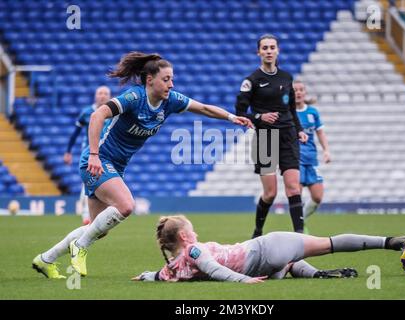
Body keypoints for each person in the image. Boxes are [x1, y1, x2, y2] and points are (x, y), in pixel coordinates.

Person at [32, 52, 254, 279]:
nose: (171, 84)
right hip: (98, 161)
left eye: (172, 79)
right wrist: (95, 156)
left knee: (97, 230)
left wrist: (231, 117)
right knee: (126, 205)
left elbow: (204, 108)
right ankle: (80, 246)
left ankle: (46, 259)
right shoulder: (134, 98)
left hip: (116, 166)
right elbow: (98, 115)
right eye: (166, 79)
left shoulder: (170, 101)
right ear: (150, 79)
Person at [132, 215, 405, 283]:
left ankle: (318, 274)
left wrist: (145, 277)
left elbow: (157, 275)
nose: (195, 233)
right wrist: (245, 281)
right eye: (191, 230)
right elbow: (214, 268)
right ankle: (388, 242)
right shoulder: (193, 251)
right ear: (184, 235)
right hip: (266, 248)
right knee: (329, 243)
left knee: (291, 264)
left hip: (267, 263)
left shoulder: (174, 267)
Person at [235, 34, 308, 238]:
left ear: (278, 51)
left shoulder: (287, 77)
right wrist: (260, 116)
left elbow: (292, 109)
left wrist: (299, 129)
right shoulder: (251, 81)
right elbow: (239, 112)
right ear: (258, 52)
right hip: (266, 139)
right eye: (264, 48)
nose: (268, 51)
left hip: (288, 136)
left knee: (294, 188)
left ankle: (300, 236)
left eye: (272, 47)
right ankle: (258, 231)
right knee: (271, 193)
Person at [63, 86, 111, 225]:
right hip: (90, 153)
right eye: (100, 93)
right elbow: (75, 133)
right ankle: (86, 216)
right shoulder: (87, 112)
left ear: (109, 96)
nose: (102, 96)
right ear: (95, 96)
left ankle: (98, 214)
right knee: (88, 183)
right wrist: (68, 151)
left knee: (103, 183)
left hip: (107, 153)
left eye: (105, 93)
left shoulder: (113, 112)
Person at [293, 80, 330, 225]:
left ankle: (301, 220)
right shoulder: (289, 113)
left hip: (311, 159)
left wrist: (326, 151)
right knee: (297, 195)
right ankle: (298, 228)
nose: (298, 92)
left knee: (318, 197)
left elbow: (320, 133)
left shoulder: (312, 112)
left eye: (301, 89)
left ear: (305, 92)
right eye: (295, 90)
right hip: (295, 159)